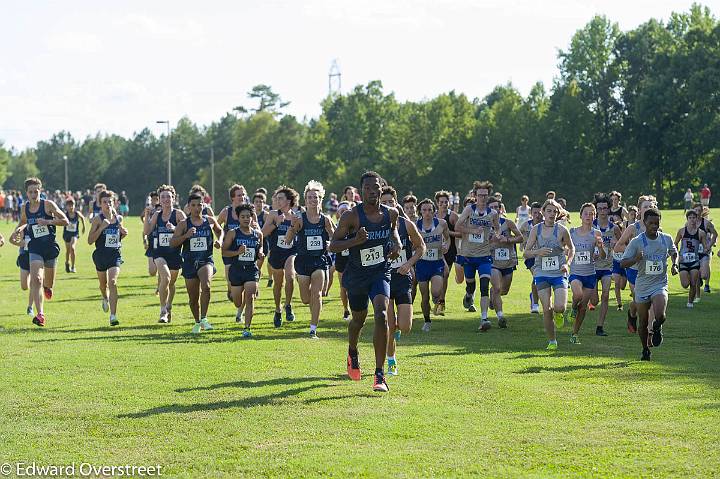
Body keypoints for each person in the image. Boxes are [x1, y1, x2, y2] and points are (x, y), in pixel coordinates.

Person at [329, 171, 401, 393]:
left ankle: (379, 375)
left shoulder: (391, 214)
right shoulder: (351, 216)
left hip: (380, 272)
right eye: (368, 187)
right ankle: (352, 351)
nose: (372, 191)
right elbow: (333, 245)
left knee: (381, 314)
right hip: (357, 276)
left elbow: (394, 232)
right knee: (358, 320)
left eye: (376, 186)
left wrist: (396, 244)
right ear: (362, 192)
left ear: (382, 188)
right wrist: (355, 240)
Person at [620, 208, 678, 361]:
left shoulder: (666, 238)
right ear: (644, 222)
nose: (654, 226)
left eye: (656, 223)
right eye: (650, 223)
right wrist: (636, 258)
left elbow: (674, 251)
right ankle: (645, 349)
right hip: (643, 285)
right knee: (643, 322)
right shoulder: (637, 241)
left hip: (660, 284)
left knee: (660, 315)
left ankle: (657, 327)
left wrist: (675, 264)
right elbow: (623, 263)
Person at [380, 186, 425, 376]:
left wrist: (409, 264)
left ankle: (397, 327)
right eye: (385, 202)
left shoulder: (406, 225)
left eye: (391, 202)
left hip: (403, 278)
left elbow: (421, 247)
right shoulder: (377, 226)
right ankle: (391, 360)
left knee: (405, 327)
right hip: (384, 278)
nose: (389, 205)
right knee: (388, 325)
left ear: (396, 203)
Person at [17, 177, 69, 327]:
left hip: (50, 247)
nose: (34, 194)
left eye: (36, 191)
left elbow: (65, 220)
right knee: (36, 279)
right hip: (35, 247)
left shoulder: (48, 205)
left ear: (40, 191)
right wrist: (18, 230)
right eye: (31, 192)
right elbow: (23, 221)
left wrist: (49, 222)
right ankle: (40, 315)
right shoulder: (24, 207)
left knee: (48, 283)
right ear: (26, 193)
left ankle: (48, 287)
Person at [286, 180, 335, 338]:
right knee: (306, 299)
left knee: (317, 294)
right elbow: (287, 240)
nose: (313, 200)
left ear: (321, 199)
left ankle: (313, 328)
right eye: (310, 197)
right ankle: (312, 316)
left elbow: (335, 238)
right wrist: (292, 227)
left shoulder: (326, 220)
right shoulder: (300, 219)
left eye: (316, 197)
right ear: (305, 200)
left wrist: (331, 244)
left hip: (319, 260)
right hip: (302, 261)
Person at [523, 199, 574, 350]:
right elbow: (526, 253)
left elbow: (572, 249)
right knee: (546, 309)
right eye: (549, 211)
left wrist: (567, 264)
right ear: (543, 212)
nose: (552, 214)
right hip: (541, 272)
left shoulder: (562, 230)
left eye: (555, 212)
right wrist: (537, 252)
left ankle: (559, 313)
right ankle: (552, 341)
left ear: (558, 214)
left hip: (559, 272)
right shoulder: (536, 230)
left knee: (559, 307)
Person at [171, 193, 223, 333]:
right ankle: (197, 322)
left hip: (206, 260)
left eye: (199, 205)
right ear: (188, 207)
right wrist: (186, 236)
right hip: (189, 263)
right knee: (193, 298)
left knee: (206, 286)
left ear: (204, 205)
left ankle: (204, 318)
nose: (196, 208)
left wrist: (220, 241)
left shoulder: (210, 221)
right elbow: (173, 243)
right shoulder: (183, 224)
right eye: (193, 205)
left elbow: (220, 231)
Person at [455, 180, 502, 330]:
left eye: (485, 195)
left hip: (484, 256)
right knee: (470, 284)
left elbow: (497, 229)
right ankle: (468, 295)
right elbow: (458, 226)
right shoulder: (469, 210)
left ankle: (484, 318)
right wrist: (472, 231)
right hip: (468, 255)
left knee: (484, 286)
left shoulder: (493, 213)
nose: (483, 198)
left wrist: (496, 236)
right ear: (475, 196)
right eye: (480, 195)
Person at [614, 195, 657, 334]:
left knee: (650, 300)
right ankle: (632, 314)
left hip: (649, 270)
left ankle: (650, 330)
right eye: (645, 207)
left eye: (651, 206)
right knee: (640, 300)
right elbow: (618, 247)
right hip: (633, 269)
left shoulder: (658, 228)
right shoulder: (633, 228)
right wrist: (633, 252)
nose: (648, 209)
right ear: (639, 210)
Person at [144, 185, 185, 324]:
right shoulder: (157, 214)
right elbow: (147, 231)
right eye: (163, 197)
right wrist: (146, 217)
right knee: (165, 278)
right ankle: (163, 311)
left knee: (171, 283)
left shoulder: (179, 215)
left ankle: (169, 306)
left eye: (169, 196)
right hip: (159, 253)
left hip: (175, 254)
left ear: (173, 198)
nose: (166, 199)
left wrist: (175, 229)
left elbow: (188, 232)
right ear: (159, 201)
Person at [222, 204, 264, 337]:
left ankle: (247, 328)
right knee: (238, 302)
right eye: (243, 217)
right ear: (238, 218)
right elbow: (224, 252)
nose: (246, 219)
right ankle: (238, 306)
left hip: (251, 269)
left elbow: (260, 248)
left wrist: (260, 254)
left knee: (250, 297)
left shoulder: (258, 234)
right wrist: (237, 252)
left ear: (252, 218)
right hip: (236, 270)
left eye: (248, 216)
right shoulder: (232, 233)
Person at [566, 203, 605, 344]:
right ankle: (573, 308)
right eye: (586, 213)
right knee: (578, 295)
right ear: (580, 215)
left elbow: (603, 256)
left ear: (594, 216)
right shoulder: (572, 232)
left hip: (590, 274)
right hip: (576, 272)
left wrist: (600, 248)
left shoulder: (597, 233)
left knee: (584, 307)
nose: (589, 216)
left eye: (591, 213)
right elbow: (566, 249)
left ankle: (574, 334)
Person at [262, 186, 300, 327]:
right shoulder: (273, 214)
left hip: (291, 252)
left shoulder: (296, 216)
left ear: (289, 200)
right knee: (278, 284)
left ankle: (288, 305)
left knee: (290, 277)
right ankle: (278, 310)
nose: (278, 201)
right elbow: (263, 233)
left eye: (281, 198)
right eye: (277, 198)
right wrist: (276, 223)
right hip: (276, 252)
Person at [87, 190, 127, 326]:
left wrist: (123, 234)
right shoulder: (98, 219)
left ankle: (113, 315)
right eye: (104, 202)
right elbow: (90, 240)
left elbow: (117, 238)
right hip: (100, 255)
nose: (107, 204)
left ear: (114, 202)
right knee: (103, 285)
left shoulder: (118, 218)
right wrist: (101, 228)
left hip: (115, 255)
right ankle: (105, 297)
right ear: (100, 203)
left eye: (110, 201)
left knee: (113, 282)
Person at [415, 199, 450, 332]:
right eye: (424, 210)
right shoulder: (415, 226)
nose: (427, 213)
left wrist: (446, 246)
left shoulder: (442, 224)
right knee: (424, 296)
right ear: (420, 212)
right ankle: (427, 320)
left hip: (437, 263)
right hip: (422, 264)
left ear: (434, 211)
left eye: (430, 210)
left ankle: (438, 301)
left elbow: (447, 238)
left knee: (435, 291)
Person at [488, 195, 522, 327]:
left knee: (504, 290)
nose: (495, 210)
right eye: (491, 208)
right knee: (497, 288)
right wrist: (491, 241)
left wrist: (507, 240)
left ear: (501, 209)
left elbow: (520, 238)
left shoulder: (508, 223)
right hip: (492, 262)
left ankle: (493, 295)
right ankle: (500, 316)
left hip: (508, 262)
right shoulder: (484, 225)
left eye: (497, 207)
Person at [591, 194, 621, 335]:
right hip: (592, 267)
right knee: (594, 300)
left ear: (608, 210)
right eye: (600, 208)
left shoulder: (614, 228)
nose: (602, 211)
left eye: (605, 208)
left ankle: (600, 327)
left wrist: (616, 244)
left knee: (605, 295)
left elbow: (622, 244)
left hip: (607, 266)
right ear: (596, 210)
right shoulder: (591, 226)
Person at [217, 185, 248, 309]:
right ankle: (230, 289)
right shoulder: (226, 212)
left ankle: (241, 307)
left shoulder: (248, 212)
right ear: (233, 198)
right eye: (239, 195)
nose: (242, 197)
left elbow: (256, 229)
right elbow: (217, 226)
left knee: (244, 280)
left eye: (243, 195)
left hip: (244, 250)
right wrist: (221, 240)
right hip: (229, 250)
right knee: (230, 277)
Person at [674, 210, 707, 308]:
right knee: (685, 284)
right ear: (687, 219)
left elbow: (705, 247)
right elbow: (675, 243)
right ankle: (688, 276)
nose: (692, 220)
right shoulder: (682, 231)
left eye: (694, 218)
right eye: (690, 218)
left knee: (693, 282)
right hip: (683, 261)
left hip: (694, 261)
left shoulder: (701, 233)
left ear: (697, 219)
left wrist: (707, 249)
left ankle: (690, 302)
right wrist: (677, 254)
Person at [436, 190, 459, 316]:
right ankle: (435, 299)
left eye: (446, 202)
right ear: (437, 203)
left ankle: (441, 301)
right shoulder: (432, 215)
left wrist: (448, 233)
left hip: (449, 250)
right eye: (442, 202)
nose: (444, 204)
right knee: (435, 276)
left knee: (444, 276)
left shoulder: (453, 216)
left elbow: (461, 233)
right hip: (434, 250)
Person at [520, 201, 544, 314]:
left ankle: (536, 297)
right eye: (535, 213)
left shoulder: (546, 225)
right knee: (536, 277)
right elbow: (519, 235)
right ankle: (535, 304)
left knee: (542, 280)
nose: (538, 215)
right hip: (531, 257)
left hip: (544, 256)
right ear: (531, 213)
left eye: (540, 213)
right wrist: (521, 244)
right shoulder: (525, 225)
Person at [9, 225, 34, 316]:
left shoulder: (40, 224)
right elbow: (11, 240)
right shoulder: (22, 228)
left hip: (36, 257)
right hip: (24, 257)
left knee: (34, 283)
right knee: (24, 287)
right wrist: (20, 244)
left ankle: (30, 307)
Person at [141, 191, 161, 293]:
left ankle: (159, 288)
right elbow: (144, 230)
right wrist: (144, 241)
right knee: (152, 272)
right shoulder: (150, 211)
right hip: (152, 243)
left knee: (161, 268)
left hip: (162, 246)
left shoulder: (166, 213)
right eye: (153, 199)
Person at [695, 204, 716, 296]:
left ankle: (706, 284)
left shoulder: (707, 223)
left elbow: (715, 235)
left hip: (706, 250)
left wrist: (710, 245)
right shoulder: (690, 222)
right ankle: (699, 279)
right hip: (695, 251)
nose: (697, 212)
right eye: (695, 210)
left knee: (705, 273)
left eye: (699, 210)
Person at [62, 197, 86, 273]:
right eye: (69, 205)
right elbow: (59, 219)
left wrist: (83, 227)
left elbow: (82, 218)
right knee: (68, 250)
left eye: (72, 205)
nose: (71, 207)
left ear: (74, 205)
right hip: (66, 234)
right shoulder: (65, 214)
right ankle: (67, 262)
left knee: (72, 248)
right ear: (66, 206)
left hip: (74, 234)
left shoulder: (77, 213)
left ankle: (73, 266)